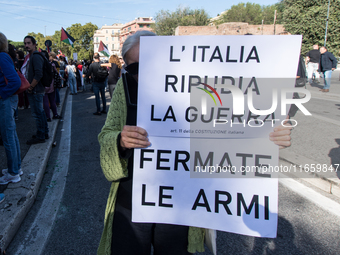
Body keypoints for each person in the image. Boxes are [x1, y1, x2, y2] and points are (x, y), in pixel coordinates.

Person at [97, 31, 293, 255]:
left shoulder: (198, 87)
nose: (147, 72)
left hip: (179, 202)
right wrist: (119, 141)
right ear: (126, 67)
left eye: (153, 62)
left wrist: (269, 136)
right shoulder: (125, 87)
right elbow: (107, 134)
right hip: (131, 199)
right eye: (136, 68)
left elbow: (235, 127)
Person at [0, 32, 22, 184]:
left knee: (8, 136)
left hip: (6, 100)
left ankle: (13, 172)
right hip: (9, 99)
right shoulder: (4, 56)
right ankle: (15, 168)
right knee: (11, 135)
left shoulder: (1, 57)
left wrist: (2, 94)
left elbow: (15, 81)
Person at [22, 35, 49, 144]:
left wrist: (30, 87)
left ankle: (41, 135)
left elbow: (38, 74)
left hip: (36, 90)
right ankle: (44, 132)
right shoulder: (31, 56)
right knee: (40, 113)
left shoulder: (35, 56)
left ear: (34, 44)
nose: (26, 45)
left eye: (29, 43)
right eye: (25, 43)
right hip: (36, 89)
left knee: (37, 113)